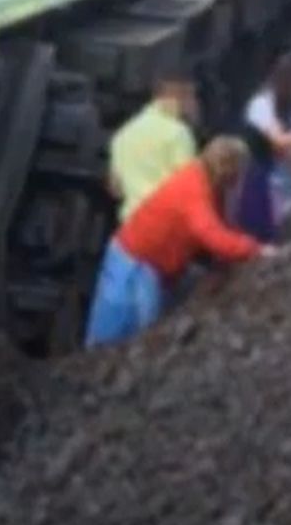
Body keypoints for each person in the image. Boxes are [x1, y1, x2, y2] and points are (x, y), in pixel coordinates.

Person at [85, 135, 274, 348]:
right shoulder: (194, 190)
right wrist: (255, 249)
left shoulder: (200, 179)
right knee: (117, 339)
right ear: (229, 170)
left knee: (135, 338)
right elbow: (212, 234)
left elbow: (218, 226)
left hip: (146, 265)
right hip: (135, 266)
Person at [233, 52, 291, 242]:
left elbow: (282, 150)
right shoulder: (260, 104)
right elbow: (279, 140)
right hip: (254, 175)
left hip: (275, 176)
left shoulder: (286, 107)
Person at [108, 66, 199, 222]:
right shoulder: (178, 133)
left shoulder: (124, 133)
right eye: (192, 96)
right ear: (181, 95)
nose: (195, 102)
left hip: (129, 225)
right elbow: (188, 188)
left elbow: (116, 188)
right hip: (162, 224)